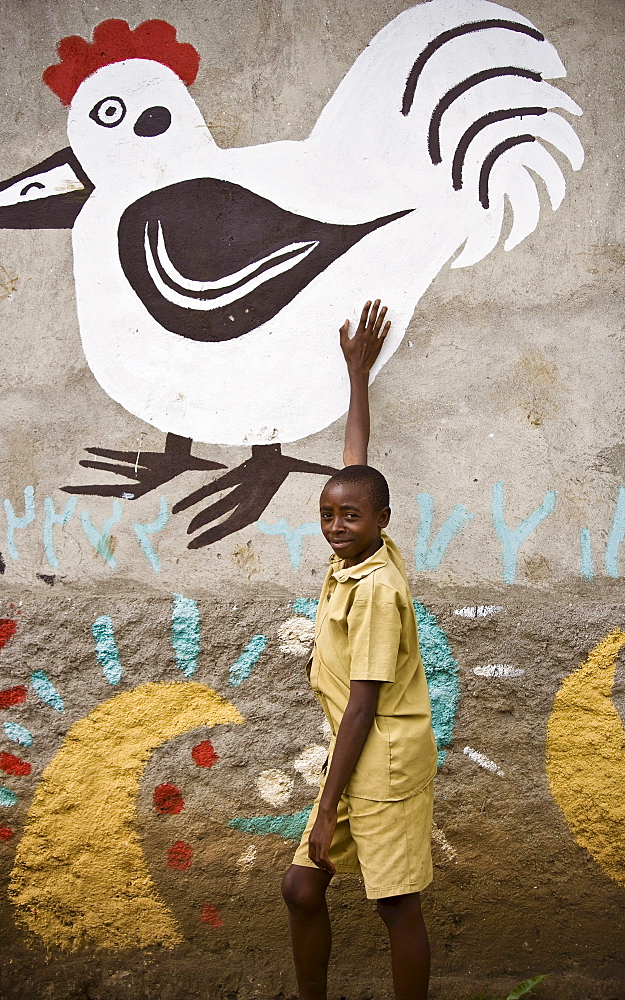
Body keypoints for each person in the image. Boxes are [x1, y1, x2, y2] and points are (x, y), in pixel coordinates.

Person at [281, 300, 438, 1000]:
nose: (336, 525)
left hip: (380, 759)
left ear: (382, 520)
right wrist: (357, 375)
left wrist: (325, 804)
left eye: (349, 515)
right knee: (301, 886)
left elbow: (364, 705)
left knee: (394, 903)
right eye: (326, 515)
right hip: (355, 760)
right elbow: (357, 462)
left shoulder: (377, 590)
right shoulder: (359, 550)